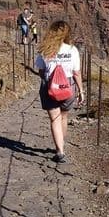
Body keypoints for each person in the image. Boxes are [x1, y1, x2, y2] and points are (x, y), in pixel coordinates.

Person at [34, 20, 84, 163]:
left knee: (54, 118)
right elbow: (76, 73)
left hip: (50, 86)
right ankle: (61, 144)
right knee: (63, 117)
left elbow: (40, 71)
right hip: (68, 86)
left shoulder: (45, 50)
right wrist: (81, 91)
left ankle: (60, 151)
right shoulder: (72, 50)